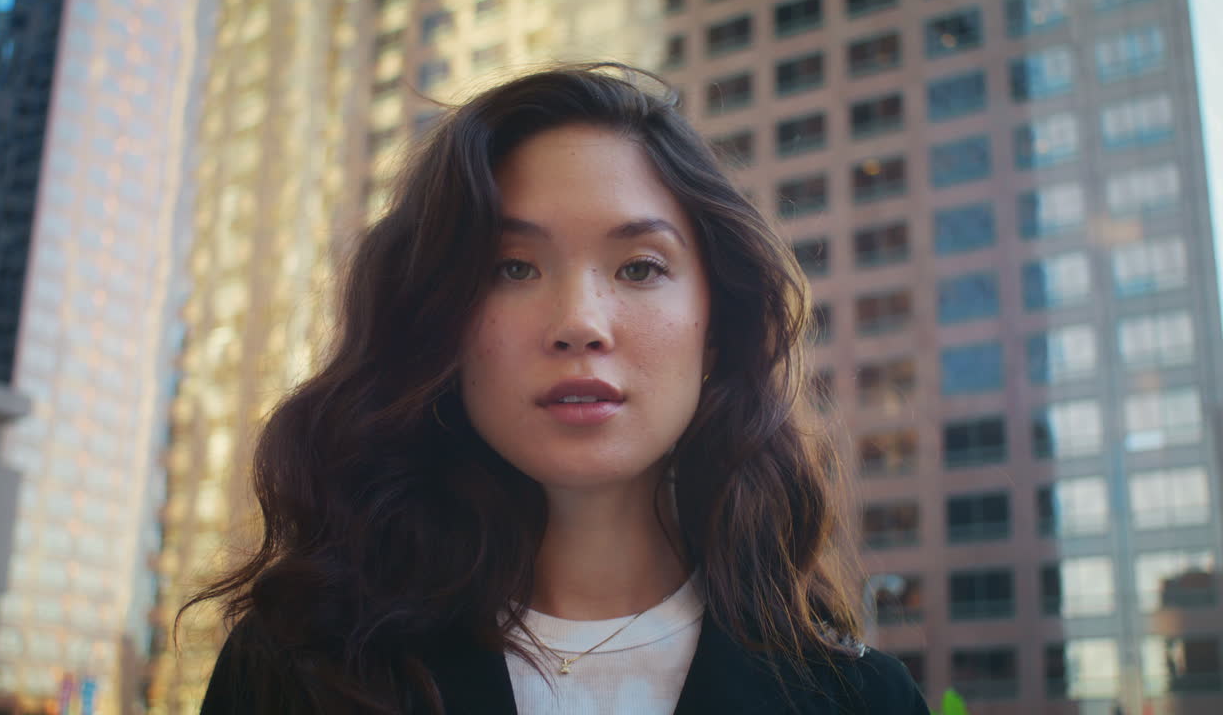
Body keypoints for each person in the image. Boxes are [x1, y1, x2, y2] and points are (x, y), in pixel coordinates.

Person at [191, 63, 928, 715]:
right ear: (441, 323)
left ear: (716, 325)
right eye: (512, 268)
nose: (579, 324)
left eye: (639, 267)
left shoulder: (860, 701)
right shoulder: (295, 669)